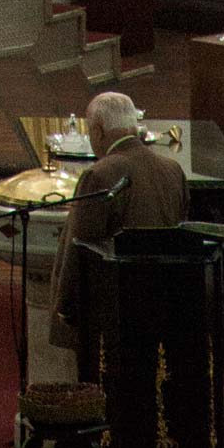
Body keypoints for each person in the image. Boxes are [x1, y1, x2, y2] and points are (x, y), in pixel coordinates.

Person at [47, 91, 190, 356]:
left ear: (98, 131)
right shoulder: (173, 170)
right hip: (164, 302)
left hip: (114, 309)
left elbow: (80, 246)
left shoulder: (99, 175)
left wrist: (65, 306)